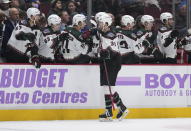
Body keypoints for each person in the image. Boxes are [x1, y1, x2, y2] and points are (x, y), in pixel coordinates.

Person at [97, 13, 128, 121]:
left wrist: (106, 53)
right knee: (106, 87)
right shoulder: (103, 32)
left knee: (109, 87)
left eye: (101, 23)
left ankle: (121, 108)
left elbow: (114, 51)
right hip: (108, 61)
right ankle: (109, 112)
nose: (99, 25)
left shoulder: (110, 34)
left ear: (107, 23)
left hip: (112, 62)